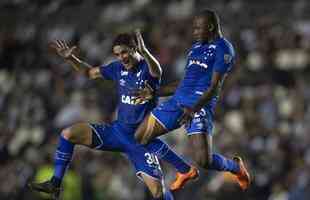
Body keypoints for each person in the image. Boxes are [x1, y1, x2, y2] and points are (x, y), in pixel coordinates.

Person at [28, 31, 198, 200]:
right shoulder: (117, 68)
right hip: (117, 132)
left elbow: (157, 71)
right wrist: (71, 59)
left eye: (124, 52)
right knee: (68, 134)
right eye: (117, 54)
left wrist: (145, 53)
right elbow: (90, 73)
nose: (121, 57)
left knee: (158, 193)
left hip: (140, 141)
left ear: (134, 49)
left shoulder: (147, 67)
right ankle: (55, 182)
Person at [134, 9, 251, 191]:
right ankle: (184, 170)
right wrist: (154, 92)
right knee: (140, 137)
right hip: (176, 104)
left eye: (198, 28)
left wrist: (194, 109)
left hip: (199, 107)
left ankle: (236, 167)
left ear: (211, 27)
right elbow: (183, 83)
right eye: (194, 28)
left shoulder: (224, 49)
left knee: (204, 161)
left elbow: (214, 87)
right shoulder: (195, 48)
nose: (194, 33)